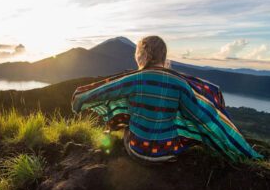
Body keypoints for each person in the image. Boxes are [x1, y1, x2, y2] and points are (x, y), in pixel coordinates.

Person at [71, 36, 263, 163]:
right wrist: (235, 144)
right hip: (167, 153)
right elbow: (200, 116)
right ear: (163, 56)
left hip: (136, 149)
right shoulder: (178, 83)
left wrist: (78, 100)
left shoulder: (134, 79)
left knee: (128, 118)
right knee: (180, 125)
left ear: (143, 55)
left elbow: (102, 92)